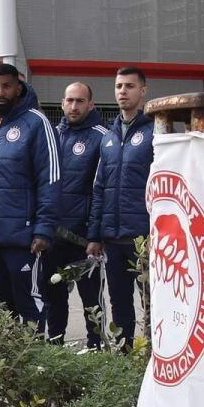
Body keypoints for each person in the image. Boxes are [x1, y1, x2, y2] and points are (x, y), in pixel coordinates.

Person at [0, 63, 59, 327]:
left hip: (23, 237)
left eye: (6, 86)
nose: (0, 92)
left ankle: (34, 366)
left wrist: (43, 230)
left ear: (18, 87)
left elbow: (49, 180)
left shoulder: (37, 123)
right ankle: (6, 368)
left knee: (30, 306)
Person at [89, 67, 154, 348]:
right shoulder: (109, 136)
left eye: (129, 86)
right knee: (119, 303)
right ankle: (124, 356)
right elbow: (99, 187)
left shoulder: (156, 131)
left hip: (144, 238)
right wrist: (94, 235)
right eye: (118, 86)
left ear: (143, 91)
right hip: (113, 237)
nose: (122, 92)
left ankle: (155, 355)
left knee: (152, 302)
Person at [49, 81, 108, 346]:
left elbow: (101, 191)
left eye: (80, 101)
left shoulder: (101, 136)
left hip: (84, 238)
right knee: (54, 296)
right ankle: (55, 346)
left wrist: (95, 233)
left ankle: (96, 347)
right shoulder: (51, 136)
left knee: (91, 299)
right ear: (62, 103)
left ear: (91, 104)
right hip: (53, 236)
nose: (74, 106)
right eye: (69, 100)